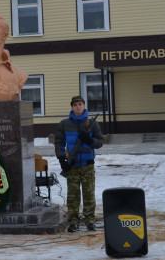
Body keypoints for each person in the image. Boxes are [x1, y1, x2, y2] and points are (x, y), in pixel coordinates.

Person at [55, 95, 103, 232]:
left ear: (84, 106)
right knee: (73, 196)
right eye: (75, 105)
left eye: (80, 104)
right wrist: (62, 159)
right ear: (72, 107)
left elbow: (99, 142)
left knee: (89, 194)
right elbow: (58, 143)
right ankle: (73, 222)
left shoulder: (92, 124)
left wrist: (89, 140)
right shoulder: (64, 124)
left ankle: (89, 221)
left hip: (88, 164)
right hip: (73, 166)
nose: (78, 107)